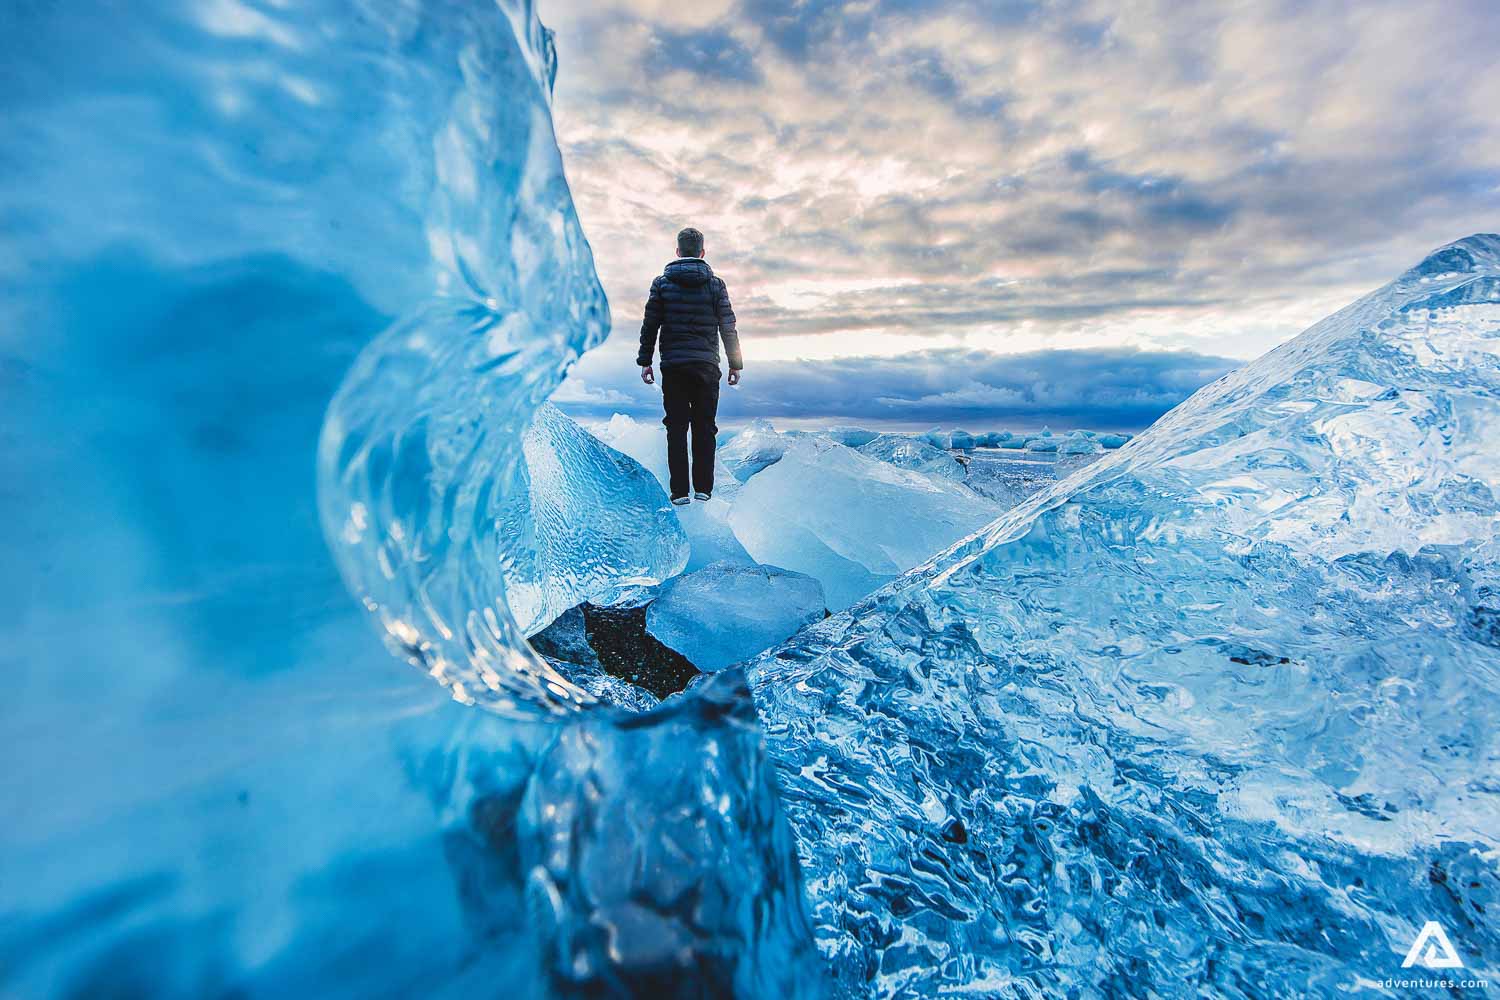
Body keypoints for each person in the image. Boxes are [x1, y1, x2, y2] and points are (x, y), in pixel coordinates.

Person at [637, 227, 743, 504]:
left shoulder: (662, 283)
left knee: (676, 428)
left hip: (673, 366)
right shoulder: (716, 285)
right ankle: (703, 489)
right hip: (707, 366)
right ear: (702, 252)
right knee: (705, 427)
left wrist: (645, 361)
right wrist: (735, 364)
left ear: (678, 251)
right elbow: (727, 326)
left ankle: (679, 492)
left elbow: (650, 325)